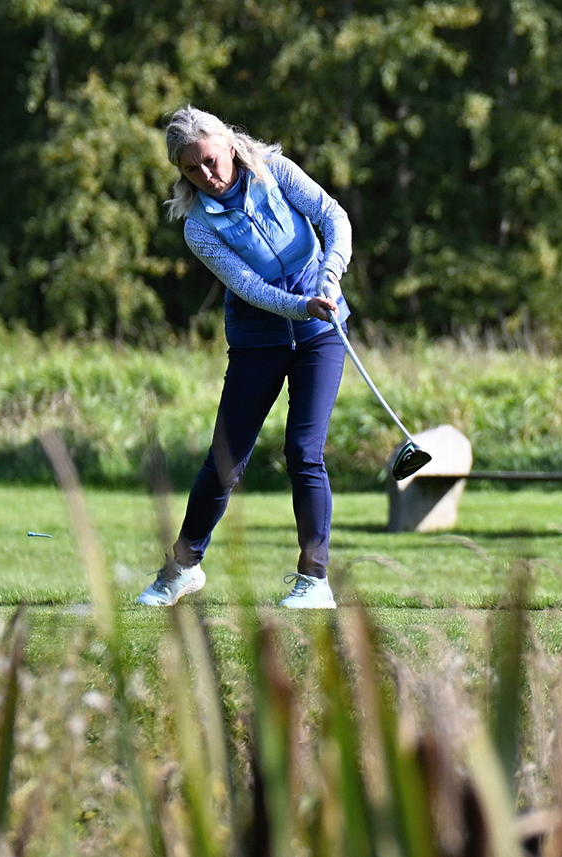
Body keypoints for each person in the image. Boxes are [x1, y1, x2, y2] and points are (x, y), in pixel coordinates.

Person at [137, 106, 352, 609]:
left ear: (230, 147)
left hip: (321, 332)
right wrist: (300, 305)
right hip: (258, 339)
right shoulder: (197, 227)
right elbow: (249, 287)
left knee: (304, 453)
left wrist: (330, 273)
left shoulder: (276, 171)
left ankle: (315, 580)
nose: (206, 175)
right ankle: (183, 569)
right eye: (192, 169)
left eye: (210, 161)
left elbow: (333, 217)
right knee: (225, 462)